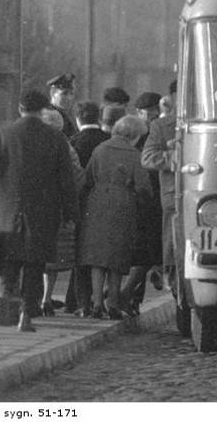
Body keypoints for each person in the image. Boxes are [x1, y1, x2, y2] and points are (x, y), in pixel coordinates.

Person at [0, 90, 79, 332]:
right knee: (35, 265)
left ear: (19, 108)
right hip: (44, 211)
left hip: (6, 208)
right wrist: (70, 212)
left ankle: (5, 290)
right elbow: (66, 179)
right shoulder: (56, 138)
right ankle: (26, 312)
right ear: (44, 110)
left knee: (10, 255)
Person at [78, 115, 151, 320]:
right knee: (117, 256)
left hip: (98, 201)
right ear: (134, 135)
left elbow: (88, 177)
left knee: (97, 256)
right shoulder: (134, 154)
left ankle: (97, 304)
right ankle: (112, 303)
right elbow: (143, 187)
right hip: (123, 203)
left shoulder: (100, 149)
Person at [120, 92, 164, 315]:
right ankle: (128, 294)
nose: (154, 115)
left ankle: (133, 298)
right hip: (140, 197)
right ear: (139, 113)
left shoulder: (155, 133)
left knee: (146, 249)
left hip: (154, 199)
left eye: (156, 111)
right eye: (149, 112)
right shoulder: (135, 134)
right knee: (141, 250)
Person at [39, 108, 85, 316]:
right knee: (52, 259)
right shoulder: (66, 147)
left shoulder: (33, 145)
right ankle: (46, 298)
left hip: (35, 207)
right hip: (57, 209)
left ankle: (32, 298)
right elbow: (78, 177)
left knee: (34, 256)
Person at [65, 101, 110, 316]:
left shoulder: (73, 142)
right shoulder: (108, 141)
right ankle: (99, 299)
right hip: (103, 203)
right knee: (100, 254)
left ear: (78, 119)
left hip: (80, 202)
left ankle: (80, 302)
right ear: (98, 117)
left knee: (79, 254)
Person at [141, 81, 178, 291]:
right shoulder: (161, 126)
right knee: (172, 243)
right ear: (172, 97)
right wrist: (175, 158)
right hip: (174, 196)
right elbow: (147, 158)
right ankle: (172, 279)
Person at [47, 73, 79, 139]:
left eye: (71, 94)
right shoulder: (49, 115)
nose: (69, 98)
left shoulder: (68, 114)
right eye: (64, 93)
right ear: (53, 93)